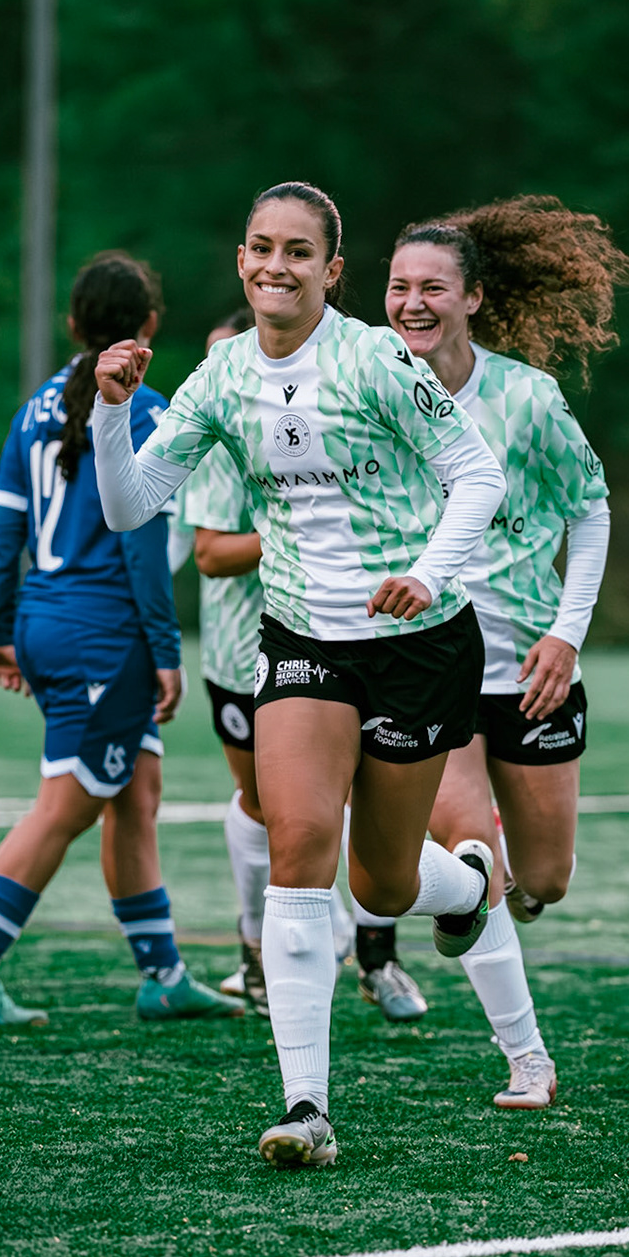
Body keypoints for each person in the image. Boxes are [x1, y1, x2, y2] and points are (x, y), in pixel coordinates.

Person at [89, 182, 507, 1169]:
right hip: (304, 638)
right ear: (242, 260)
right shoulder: (221, 373)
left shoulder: (375, 359)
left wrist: (428, 573)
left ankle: (469, 885)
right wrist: (110, 411)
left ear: (332, 270)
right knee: (301, 837)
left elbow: (476, 476)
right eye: (261, 249)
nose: (277, 265)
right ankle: (306, 1105)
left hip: (414, 641)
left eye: (299, 252)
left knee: (386, 878)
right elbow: (130, 504)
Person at [0, 252, 244, 1029]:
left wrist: (3, 631)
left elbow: (2, 535)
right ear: (150, 326)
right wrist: (167, 652)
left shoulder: (33, 406)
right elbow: (140, 548)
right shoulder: (148, 407)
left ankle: (162, 974)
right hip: (105, 636)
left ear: (72, 324)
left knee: (136, 794)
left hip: (46, 619)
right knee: (66, 807)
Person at [385, 196, 629, 1110]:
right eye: (399, 286)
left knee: (545, 879)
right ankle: (527, 1058)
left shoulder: (526, 399)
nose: (413, 303)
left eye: (433, 288)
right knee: (472, 851)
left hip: (530, 669)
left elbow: (591, 511)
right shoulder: (373, 387)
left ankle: (506, 899)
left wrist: (568, 632)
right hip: (429, 665)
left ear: (474, 297)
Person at [182, 309, 425, 1024]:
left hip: (348, 636)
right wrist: (293, 532)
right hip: (243, 650)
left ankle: (377, 959)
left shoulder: (331, 413)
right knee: (272, 809)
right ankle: (259, 948)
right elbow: (208, 553)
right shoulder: (219, 437)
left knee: (365, 810)